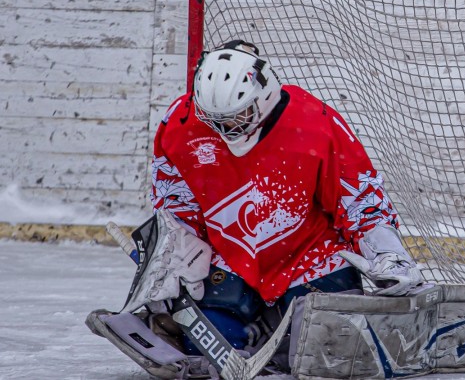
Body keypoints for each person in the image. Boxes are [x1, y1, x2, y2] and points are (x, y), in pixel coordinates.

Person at [118, 39, 425, 375]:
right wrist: (174, 253)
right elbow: (175, 202)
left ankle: (275, 337)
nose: (225, 128)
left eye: (238, 116)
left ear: (264, 97)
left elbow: (359, 199)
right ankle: (250, 333)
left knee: (329, 350)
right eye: (214, 118)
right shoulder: (180, 125)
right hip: (231, 258)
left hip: (311, 256)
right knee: (211, 341)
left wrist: (387, 253)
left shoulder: (314, 122)